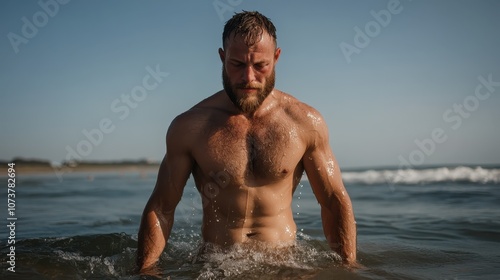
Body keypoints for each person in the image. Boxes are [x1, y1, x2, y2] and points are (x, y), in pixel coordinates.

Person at [136, 11, 357, 274]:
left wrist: (348, 269)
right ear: (221, 58)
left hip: (284, 264)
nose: (248, 78)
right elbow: (162, 207)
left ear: (276, 58)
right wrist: (145, 271)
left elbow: (333, 200)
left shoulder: (304, 122)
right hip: (216, 268)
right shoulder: (191, 127)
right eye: (237, 64)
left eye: (260, 65)